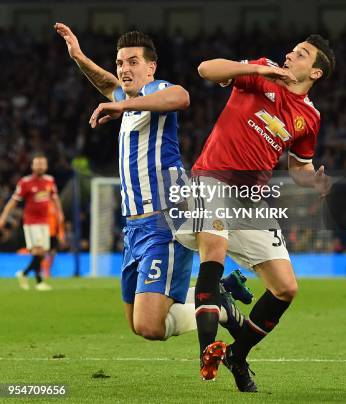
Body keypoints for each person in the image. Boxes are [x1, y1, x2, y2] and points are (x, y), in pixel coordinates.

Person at [55, 23, 245, 342]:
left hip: (163, 221)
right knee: (135, 322)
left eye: (133, 62)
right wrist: (78, 56)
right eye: (120, 63)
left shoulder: (155, 91)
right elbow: (107, 84)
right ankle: (215, 292)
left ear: (151, 67)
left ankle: (220, 305)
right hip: (134, 227)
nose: (124, 69)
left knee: (150, 326)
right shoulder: (127, 100)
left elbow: (182, 96)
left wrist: (122, 104)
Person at [175, 35, 335, 391]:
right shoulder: (260, 72)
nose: (291, 54)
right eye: (293, 49)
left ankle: (237, 354)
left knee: (285, 288)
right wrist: (258, 68)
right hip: (212, 179)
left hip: (252, 197)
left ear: (316, 72)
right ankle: (207, 351)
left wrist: (314, 182)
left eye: (302, 54)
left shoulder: (309, 116)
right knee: (213, 251)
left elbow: (299, 167)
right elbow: (205, 69)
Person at [0, 154, 64, 291]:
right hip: (31, 222)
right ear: (32, 166)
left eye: (42, 164)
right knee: (39, 250)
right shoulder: (25, 182)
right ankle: (29, 276)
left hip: (45, 221)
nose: (40, 166)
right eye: (37, 164)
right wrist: (3, 217)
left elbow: (55, 198)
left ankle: (31, 278)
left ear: (46, 166)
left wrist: (60, 214)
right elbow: (13, 201)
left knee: (41, 252)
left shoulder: (50, 181)